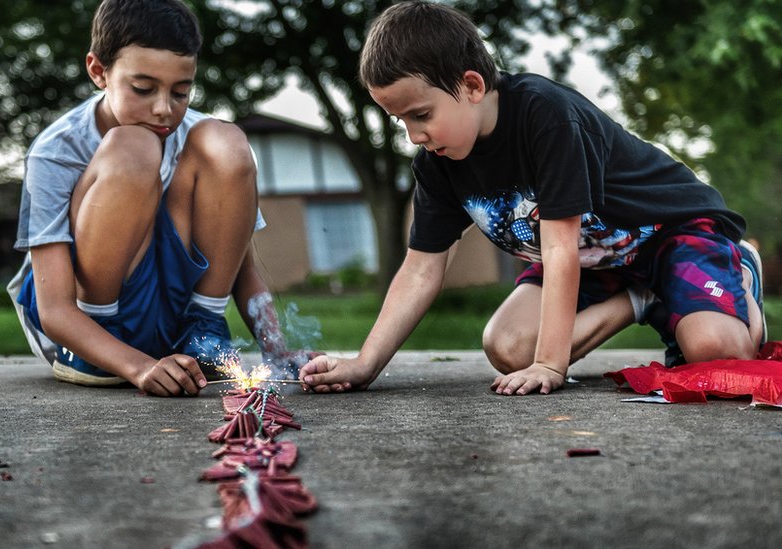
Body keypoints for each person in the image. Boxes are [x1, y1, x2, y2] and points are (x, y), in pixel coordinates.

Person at [299, 0, 766, 396]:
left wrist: (551, 366)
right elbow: (422, 268)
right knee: (507, 348)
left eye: (420, 114)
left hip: (670, 231)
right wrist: (364, 364)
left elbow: (560, 247)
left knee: (717, 354)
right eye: (400, 120)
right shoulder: (437, 161)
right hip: (596, 261)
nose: (413, 135)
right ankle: (642, 297)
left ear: (473, 86)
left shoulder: (546, 116)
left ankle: (739, 268)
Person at [7, 0, 301, 396]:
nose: (164, 110)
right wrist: (139, 367)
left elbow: (240, 265)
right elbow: (55, 309)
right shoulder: (56, 150)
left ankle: (203, 332)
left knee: (227, 139)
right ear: (98, 71)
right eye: (143, 89)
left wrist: (279, 353)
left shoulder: (199, 140)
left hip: (170, 312)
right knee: (134, 146)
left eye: (181, 92)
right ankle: (101, 346)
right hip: (83, 321)